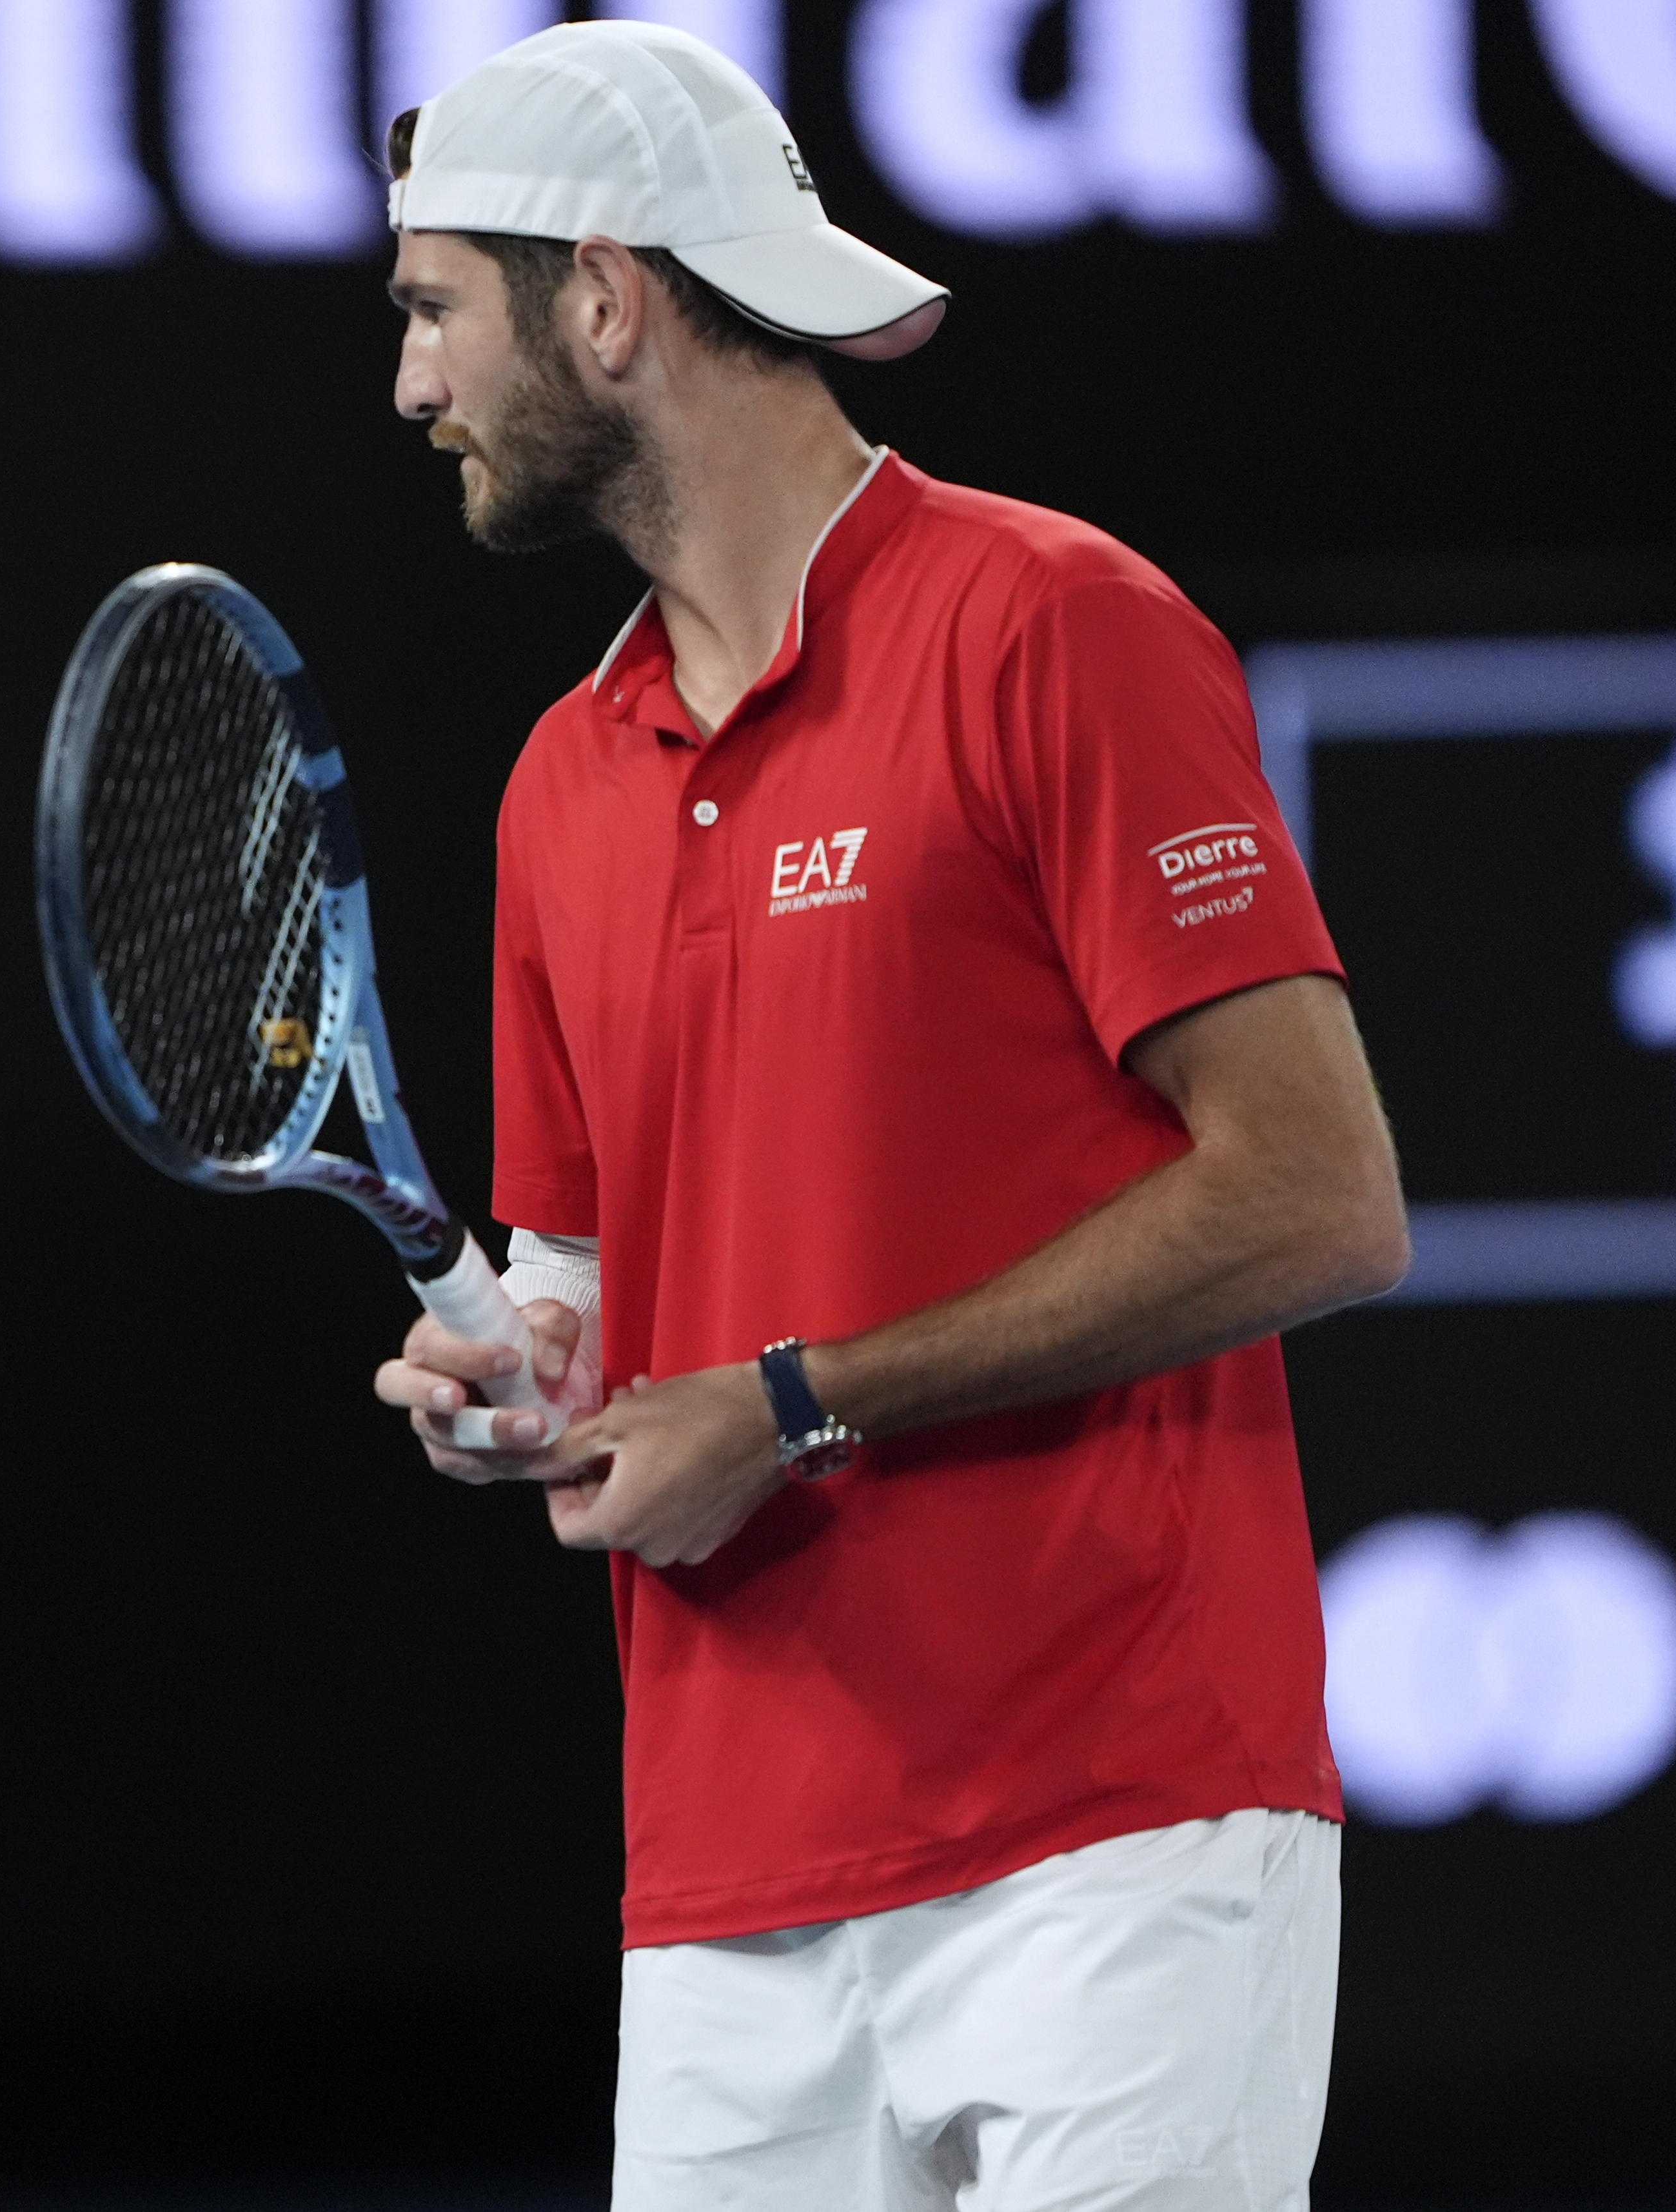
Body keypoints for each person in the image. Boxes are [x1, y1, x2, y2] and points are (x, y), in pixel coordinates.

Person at [366, 26, 1407, 2209]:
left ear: (607, 300)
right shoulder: (562, 783)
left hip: (1119, 1830)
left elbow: (1318, 1200)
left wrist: (798, 1403)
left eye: (433, 306)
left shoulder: (1058, 627)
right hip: (735, 1886)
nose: (413, 388)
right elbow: (579, 1284)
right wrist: (524, 1373)